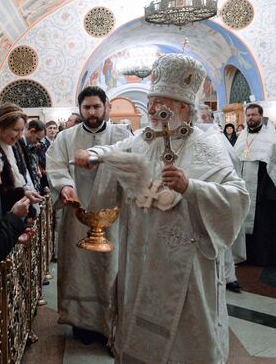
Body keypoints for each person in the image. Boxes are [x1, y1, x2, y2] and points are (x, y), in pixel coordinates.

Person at [74, 53, 249, 363]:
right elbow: (112, 152)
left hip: (188, 261)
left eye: (161, 102)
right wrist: (92, 155)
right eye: (152, 101)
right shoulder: (141, 140)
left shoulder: (208, 145)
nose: (153, 109)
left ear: (184, 108)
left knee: (186, 333)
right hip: (140, 254)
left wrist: (191, 187)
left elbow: (236, 196)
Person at [46, 86, 131, 348]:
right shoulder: (66, 137)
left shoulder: (122, 135)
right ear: (80, 109)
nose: (92, 112)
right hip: (77, 214)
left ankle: (109, 324)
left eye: (96, 106)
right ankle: (81, 322)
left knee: (110, 267)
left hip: (112, 215)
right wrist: (64, 186)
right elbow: (55, 165)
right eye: (86, 107)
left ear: (106, 106)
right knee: (78, 268)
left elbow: (133, 165)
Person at [196, 106, 245, 293]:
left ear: (208, 118)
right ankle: (227, 276)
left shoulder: (213, 137)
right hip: (212, 194)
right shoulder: (211, 135)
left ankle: (225, 277)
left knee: (220, 239)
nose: (196, 122)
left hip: (218, 193)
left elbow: (229, 165)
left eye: (199, 117)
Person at [235, 103, 276, 266]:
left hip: (262, 190)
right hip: (242, 187)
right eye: (248, 115)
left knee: (262, 224)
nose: (250, 118)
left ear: (261, 116)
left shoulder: (271, 137)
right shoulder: (241, 136)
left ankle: (261, 257)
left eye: (254, 115)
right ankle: (244, 255)